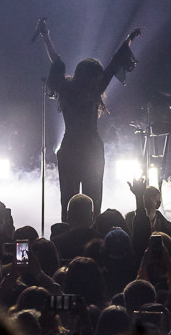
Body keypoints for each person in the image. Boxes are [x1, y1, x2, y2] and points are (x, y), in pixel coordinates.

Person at [38, 18, 139, 221]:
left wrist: (45, 35)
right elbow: (114, 63)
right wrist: (129, 39)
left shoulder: (65, 89)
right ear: (94, 76)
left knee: (68, 198)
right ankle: (92, 235)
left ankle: (68, 233)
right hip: (91, 149)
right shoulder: (95, 89)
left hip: (70, 149)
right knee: (93, 198)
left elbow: (56, 62)